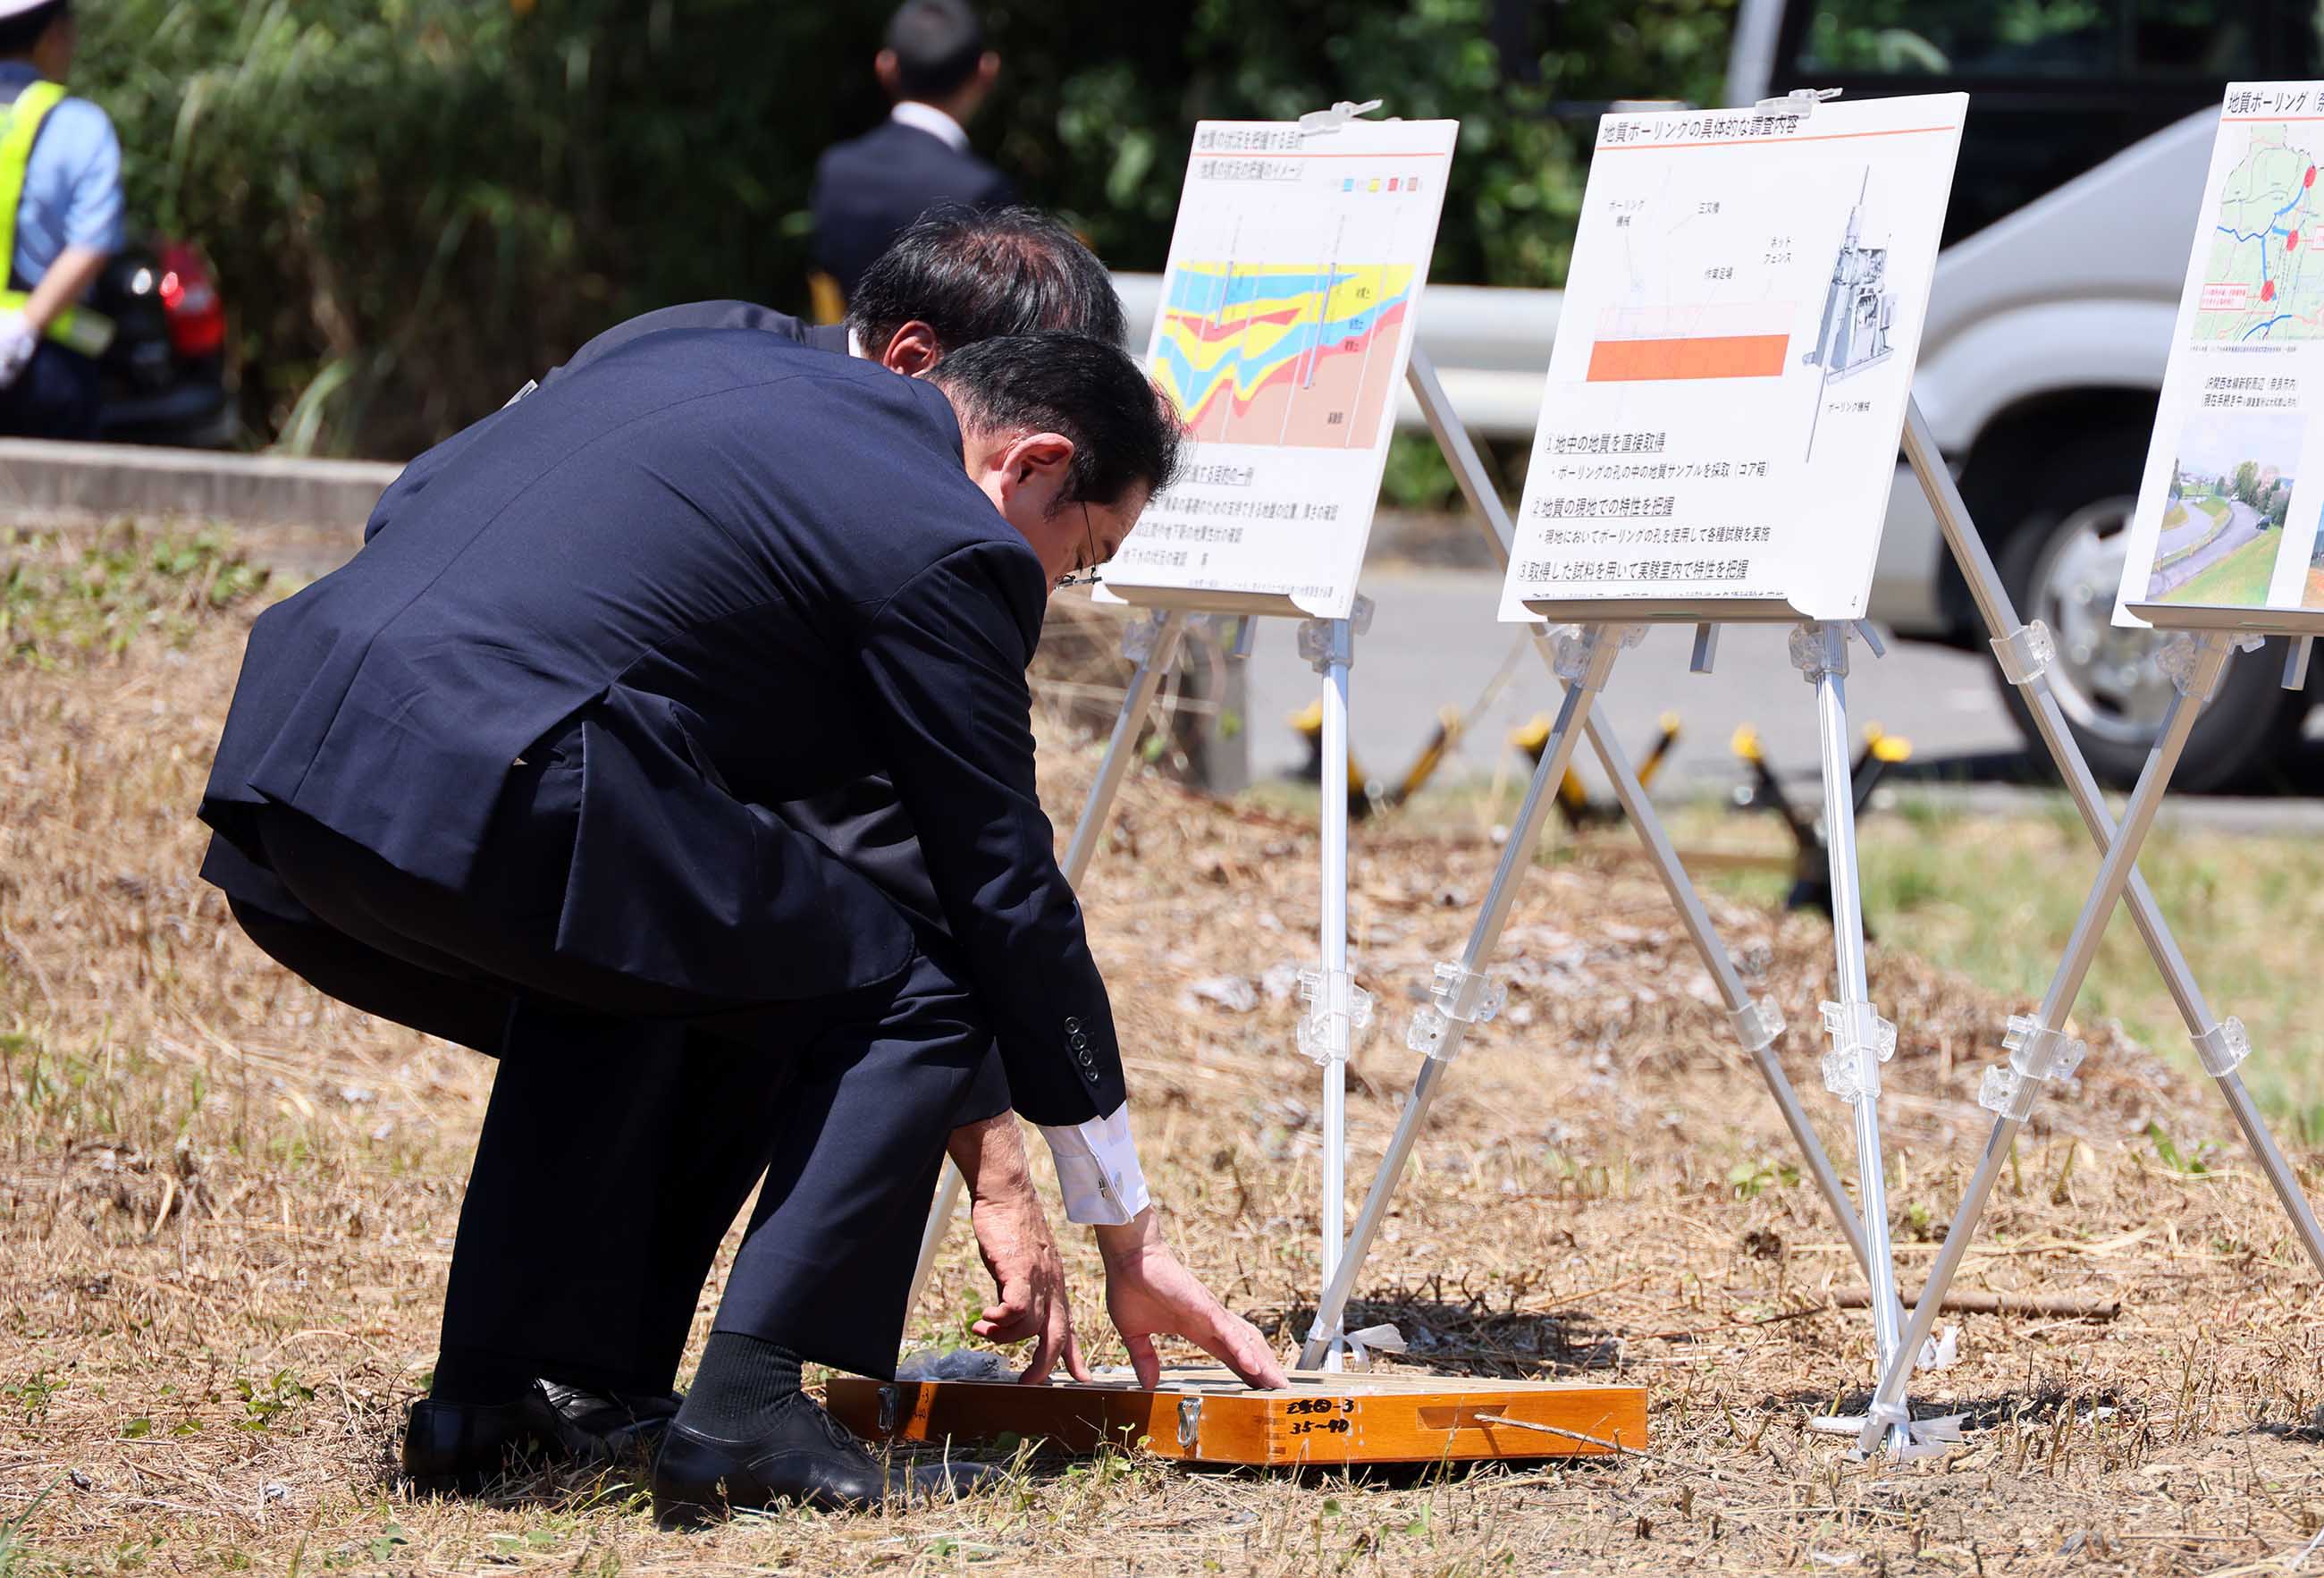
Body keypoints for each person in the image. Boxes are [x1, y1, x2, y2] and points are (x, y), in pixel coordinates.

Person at [198, 325, 1284, 1523]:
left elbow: (422, 490)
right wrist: (1125, 1230)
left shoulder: (709, 356)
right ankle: (748, 1410)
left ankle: (483, 1403)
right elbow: (1005, 892)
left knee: (645, 966)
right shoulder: (951, 538)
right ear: (1031, 464)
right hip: (505, 767)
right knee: (920, 983)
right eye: (1084, 555)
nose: (1056, 587)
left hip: (296, 759)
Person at [811, 0, 1015, 300]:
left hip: (844, 346)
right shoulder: (983, 190)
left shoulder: (837, 170)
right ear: (986, 71)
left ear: (885, 67)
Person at [0, 0, 122, 440]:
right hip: (49, 370)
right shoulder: (81, 125)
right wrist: (23, 328)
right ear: (52, 35)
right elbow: (92, 243)